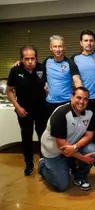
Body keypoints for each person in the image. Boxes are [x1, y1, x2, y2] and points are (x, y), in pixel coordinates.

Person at [38, 87, 95, 192]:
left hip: (71, 147)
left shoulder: (90, 112)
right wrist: (83, 158)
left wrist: (75, 147)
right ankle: (43, 165)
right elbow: (62, 146)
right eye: (78, 98)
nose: (82, 102)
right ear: (71, 97)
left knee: (92, 150)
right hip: (54, 152)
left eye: (85, 99)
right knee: (62, 186)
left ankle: (80, 177)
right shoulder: (61, 113)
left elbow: (89, 135)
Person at [6, 46, 47, 176]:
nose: (30, 61)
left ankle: (43, 163)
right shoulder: (15, 70)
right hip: (24, 111)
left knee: (43, 137)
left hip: (41, 110)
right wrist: (17, 107)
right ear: (21, 60)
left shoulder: (42, 68)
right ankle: (29, 164)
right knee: (27, 138)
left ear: (36, 58)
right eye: (26, 59)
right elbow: (9, 91)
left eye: (32, 58)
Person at [71, 30, 95, 169]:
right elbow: (76, 79)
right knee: (84, 130)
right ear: (81, 43)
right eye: (86, 40)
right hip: (83, 102)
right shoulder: (74, 58)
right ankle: (80, 158)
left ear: (94, 42)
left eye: (91, 40)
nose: (89, 43)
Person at [44, 35, 82, 118]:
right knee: (53, 129)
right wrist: (19, 64)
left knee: (67, 129)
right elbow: (36, 70)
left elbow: (77, 81)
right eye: (55, 46)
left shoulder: (70, 63)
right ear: (50, 48)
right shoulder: (47, 61)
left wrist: (80, 99)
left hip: (67, 103)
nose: (58, 49)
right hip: (50, 103)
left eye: (60, 46)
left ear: (64, 48)